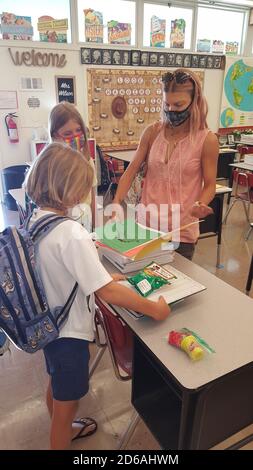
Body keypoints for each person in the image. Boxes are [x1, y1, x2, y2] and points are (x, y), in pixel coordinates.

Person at [24, 142, 170, 450]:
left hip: (49, 327)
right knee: (67, 407)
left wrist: (101, 276)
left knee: (56, 384)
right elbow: (108, 291)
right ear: (69, 188)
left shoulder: (36, 220)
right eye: (83, 186)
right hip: (70, 337)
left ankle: (64, 428)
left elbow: (62, 271)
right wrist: (153, 309)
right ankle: (62, 436)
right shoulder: (70, 232)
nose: (86, 195)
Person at [112, 69, 219, 260]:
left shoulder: (207, 140)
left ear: (195, 102)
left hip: (181, 231)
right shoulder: (152, 132)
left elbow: (210, 183)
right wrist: (116, 202)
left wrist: (201, 203)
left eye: (178, 105)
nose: (171, 110)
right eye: (167, 104)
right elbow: (131, 171)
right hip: (146, 225)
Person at [49, 101, 96, 232]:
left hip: (85, 223)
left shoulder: (87, 161)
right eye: (68, 134)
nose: (75, 136)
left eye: (78, 130)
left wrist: (96, 228)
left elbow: (92, 196)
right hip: (61, 226)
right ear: (55, 136)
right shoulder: (51, 166)